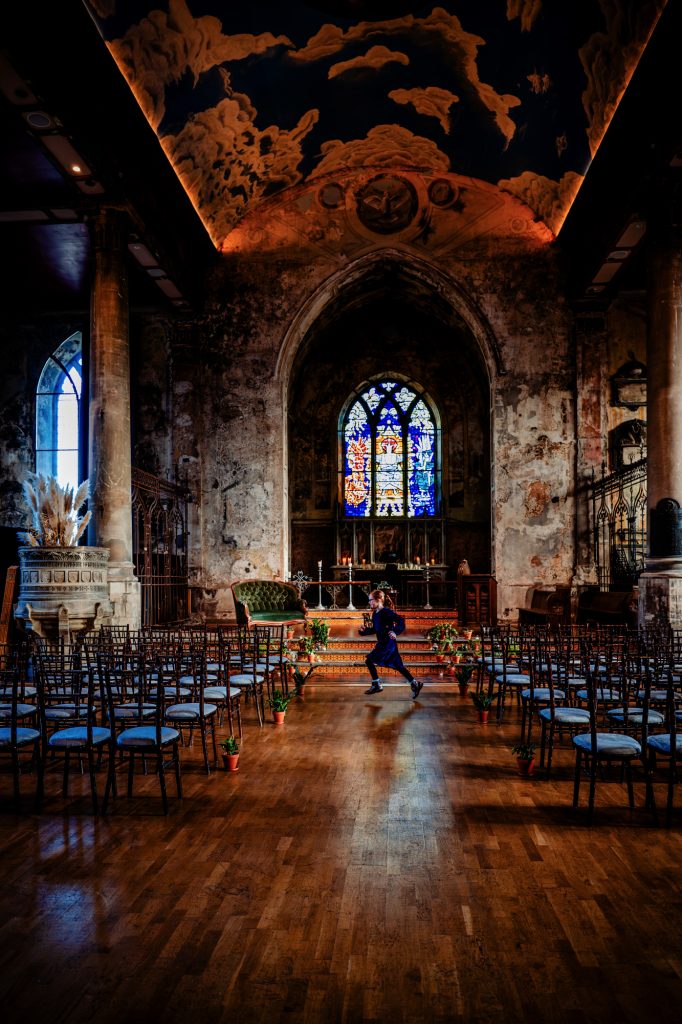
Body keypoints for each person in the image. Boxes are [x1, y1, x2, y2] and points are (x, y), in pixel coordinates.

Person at [359, 589, 423, 699]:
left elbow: (401, 621)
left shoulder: (386, 612)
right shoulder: (375, 613)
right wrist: (364, 631)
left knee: (369, 660)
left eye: (371, 600)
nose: (369, 602)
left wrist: (395, 631)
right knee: (398, 666)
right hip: (384, 643)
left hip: (388, 645)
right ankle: (415, 683)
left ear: (378, 600)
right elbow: (376, 629)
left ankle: (376, 684)